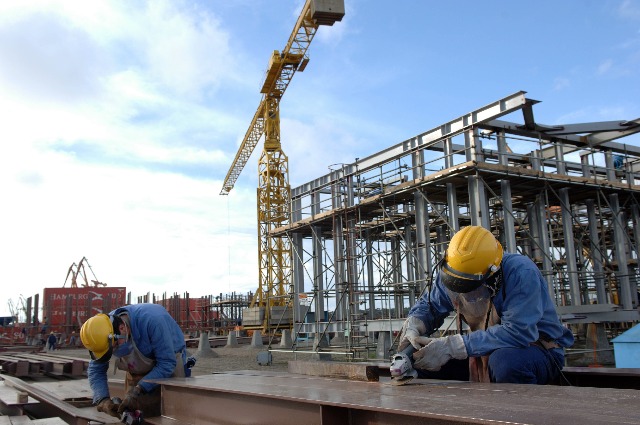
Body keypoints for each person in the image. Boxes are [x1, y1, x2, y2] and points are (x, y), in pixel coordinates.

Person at [398, 225, 574, 384]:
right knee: (422, 359)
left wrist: (453, 346)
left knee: (505, 362)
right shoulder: (455, 271)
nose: (466, 294)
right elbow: (430, 306)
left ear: (492, 274)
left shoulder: (521, 273)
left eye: (471, 288)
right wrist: (416, 324)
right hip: (481, 352)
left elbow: (518, 333)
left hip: (534, 351)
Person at [80, 303, 188, 418]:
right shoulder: (102, 331)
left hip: (169, 361)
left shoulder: (152, 321)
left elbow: (167, 363)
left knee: (173, 413)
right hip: (137, 366)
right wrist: (102, 399)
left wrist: (139, 389)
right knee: (132, 413)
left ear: (122, 328)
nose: (114, 351)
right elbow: (96, 370)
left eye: (115, 346)